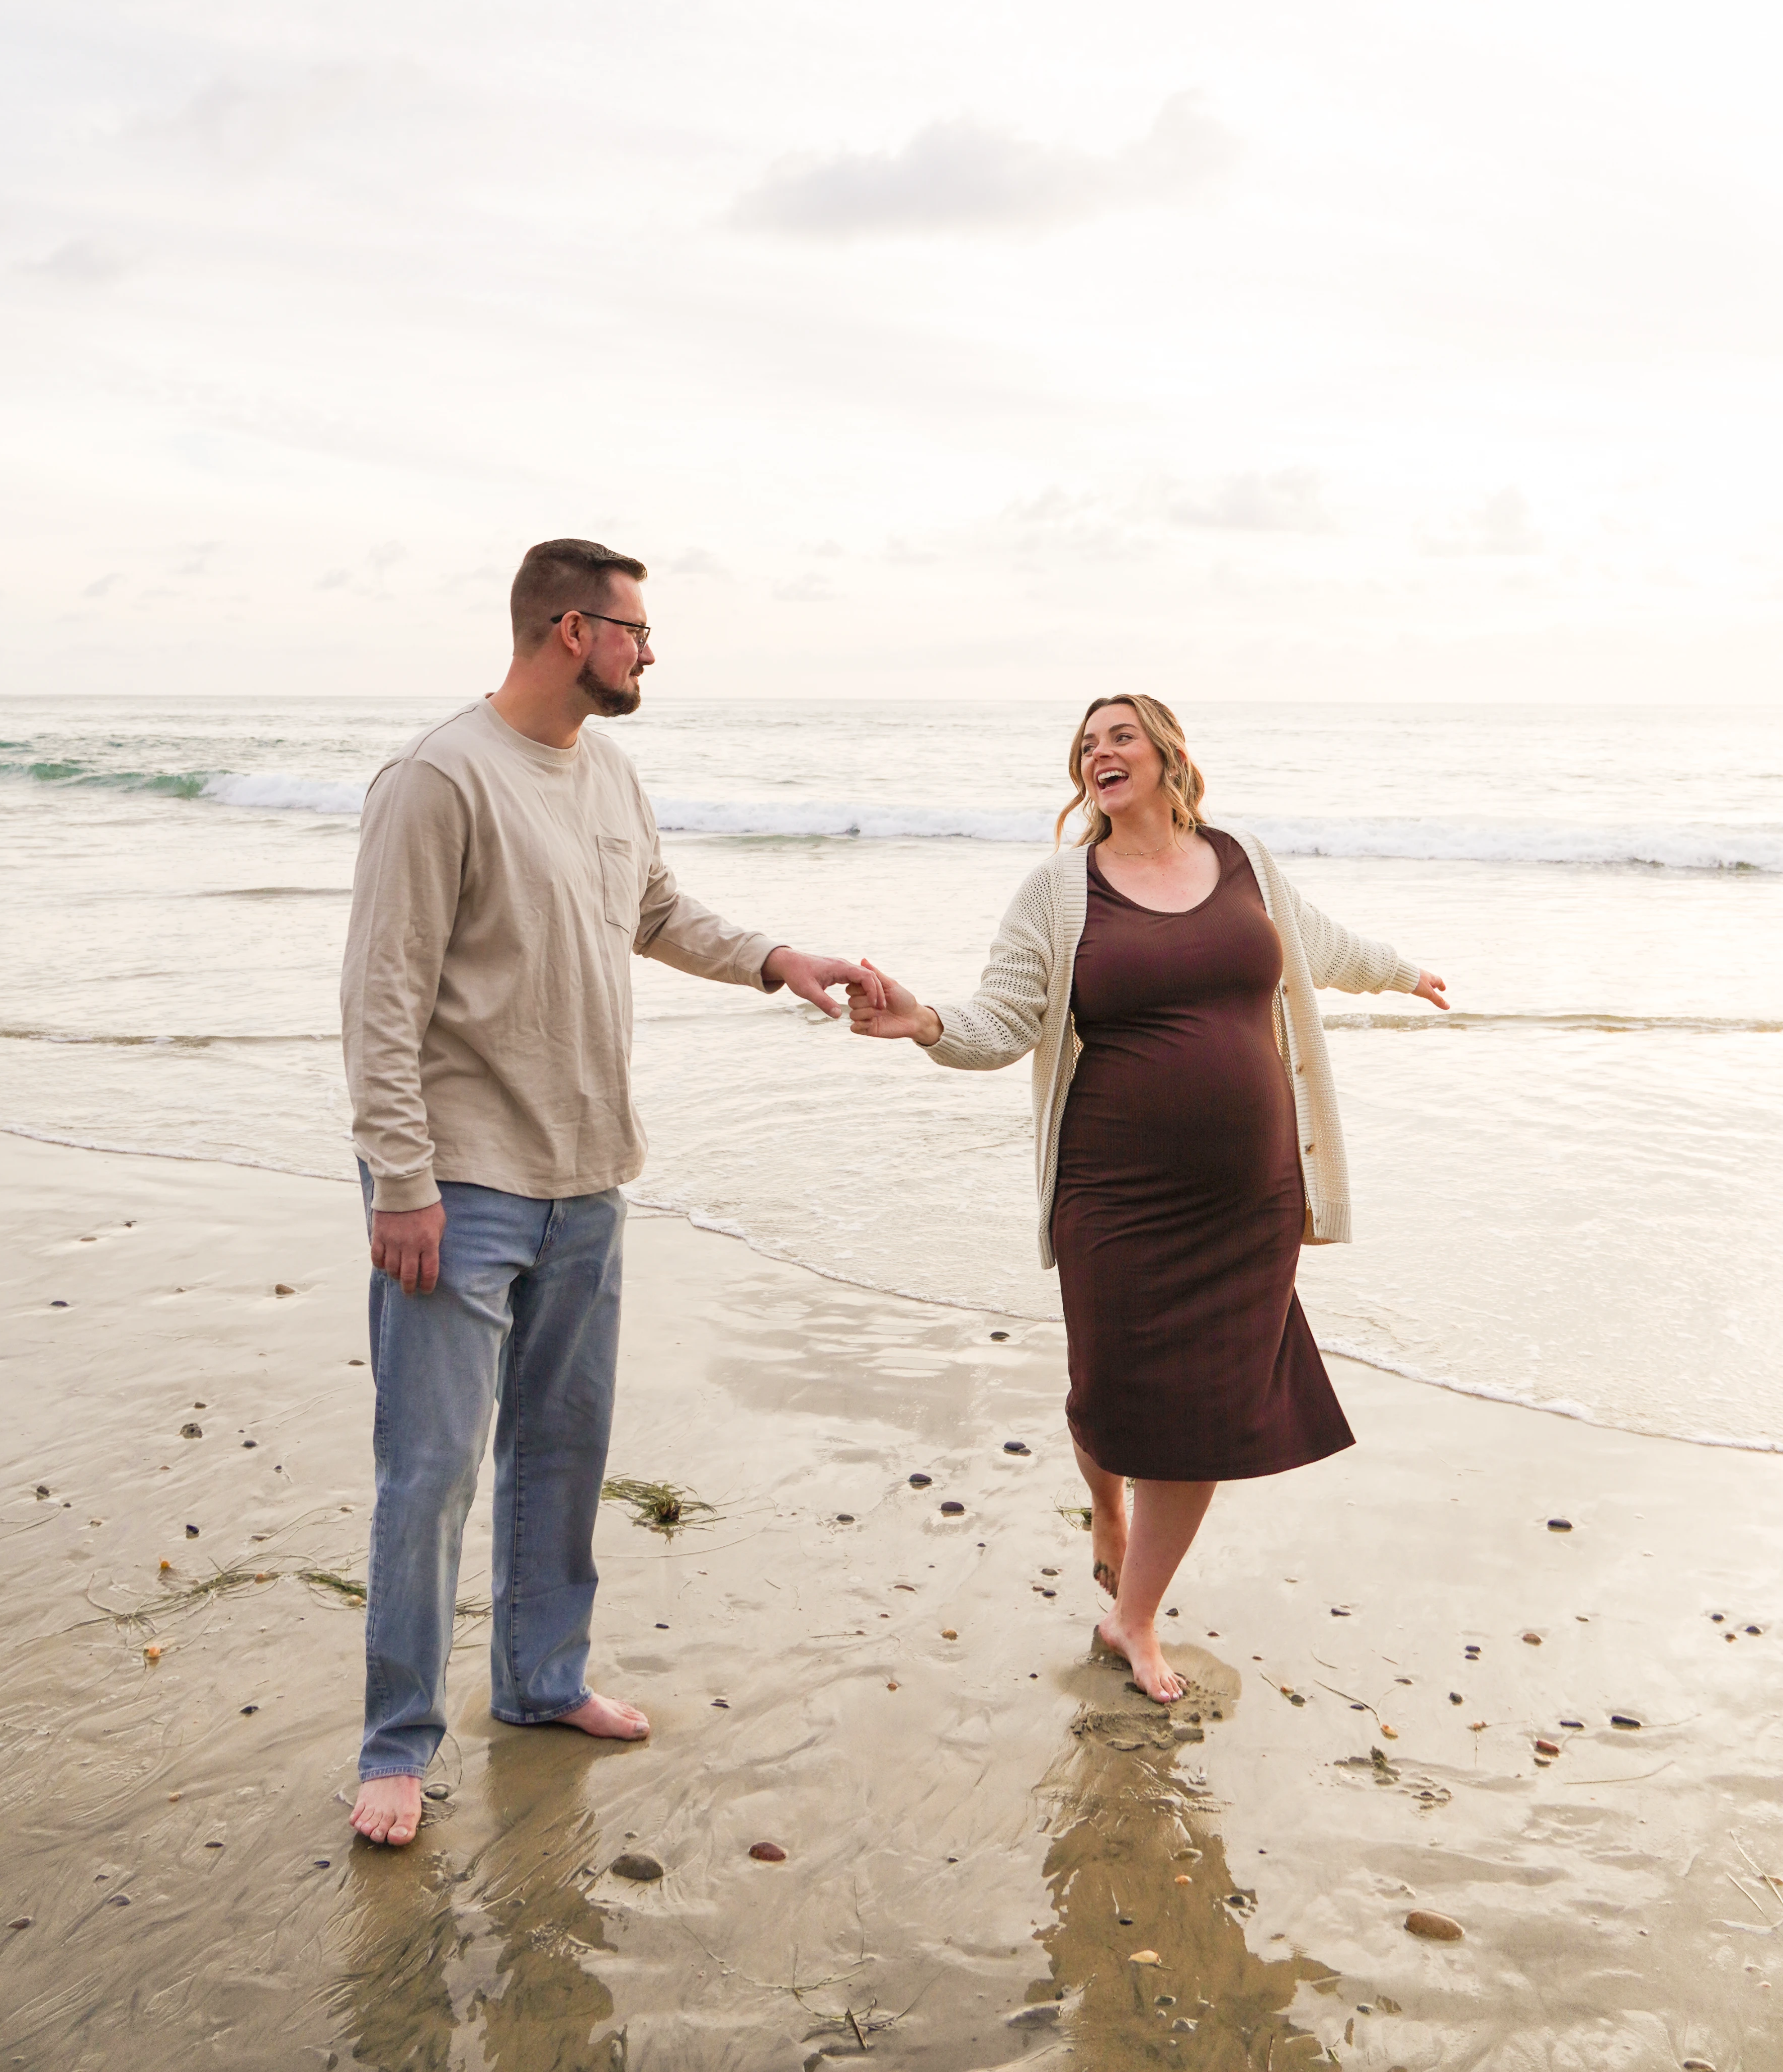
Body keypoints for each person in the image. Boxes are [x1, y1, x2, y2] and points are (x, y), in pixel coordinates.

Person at [339, 535, 883, 1847]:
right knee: (431, 1474)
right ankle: (397, 1747)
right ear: (572, 631)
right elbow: (381, 996)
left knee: (563, 1455)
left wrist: (775, 958)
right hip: (459, 1186)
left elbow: (655, 912)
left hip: (589, 1174)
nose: (650, 653)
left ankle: (541, 1683)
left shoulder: (614, 775)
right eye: (637, 631)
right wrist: (401, 1181)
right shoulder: (438, 777)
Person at [848, 692, 1445, 1704]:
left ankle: (1132, 1615)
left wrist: (1404, 972)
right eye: (1087, 745)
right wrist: (923, 1022)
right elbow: (1004, 1020)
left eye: (1118, 736)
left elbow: (1320, 948)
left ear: (1167, 754)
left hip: (1249, 1200)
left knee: (1206, 1410)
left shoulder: (1243, 858)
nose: (1099, 753)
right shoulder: (1059, 889)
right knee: (1112, 1391)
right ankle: (1106, 1504)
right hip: (1115, 1195)